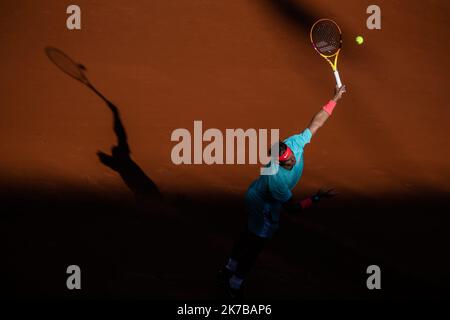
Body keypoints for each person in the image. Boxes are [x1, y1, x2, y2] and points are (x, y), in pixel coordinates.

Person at [218, 85, 347, 298]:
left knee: (248, 234)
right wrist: (317, 198)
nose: (293, 158)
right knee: (255, 245)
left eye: (291, 155)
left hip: (256, 193)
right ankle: (234, 283)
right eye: (288, 160)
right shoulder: (275, 179)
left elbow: (316, 123)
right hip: (262, 205)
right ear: (279, 162)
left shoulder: (293, 144)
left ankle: (229, 267)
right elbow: (292, 209)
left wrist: (335, 98)